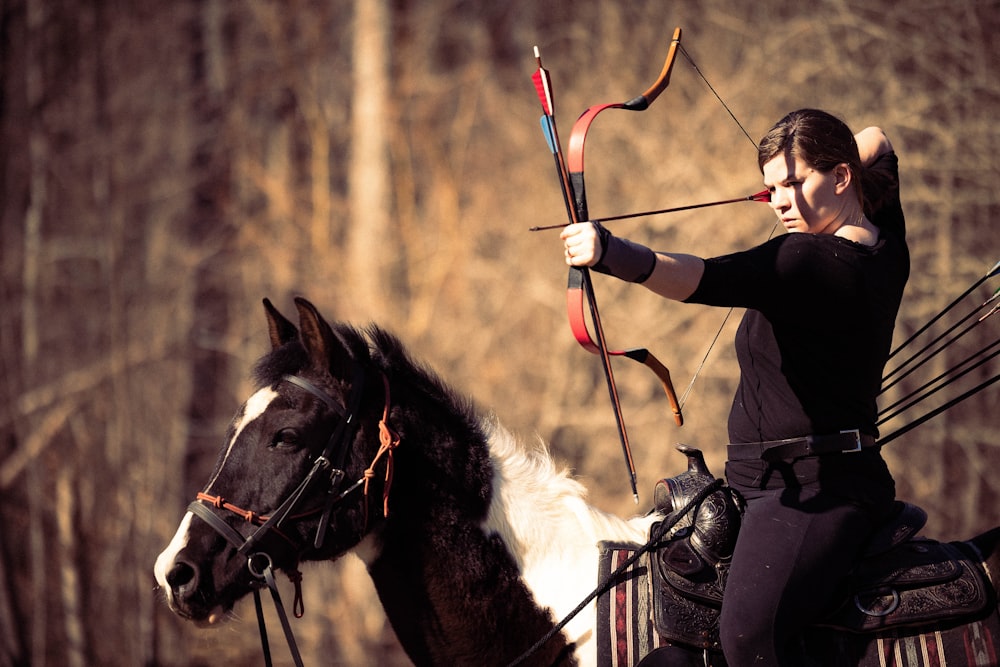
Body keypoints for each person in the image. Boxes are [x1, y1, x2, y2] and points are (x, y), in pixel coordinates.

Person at [560, 109, 908, 665]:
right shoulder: (886, 235)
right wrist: (809, 167)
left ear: (842, 177)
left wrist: (608, 252)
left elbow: (698, 276)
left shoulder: (805, 261)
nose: (780, 202)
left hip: (811, 495)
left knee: (745, 639)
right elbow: (879, 139)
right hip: (789, 481)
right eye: (771, 187)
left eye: (794, 185)